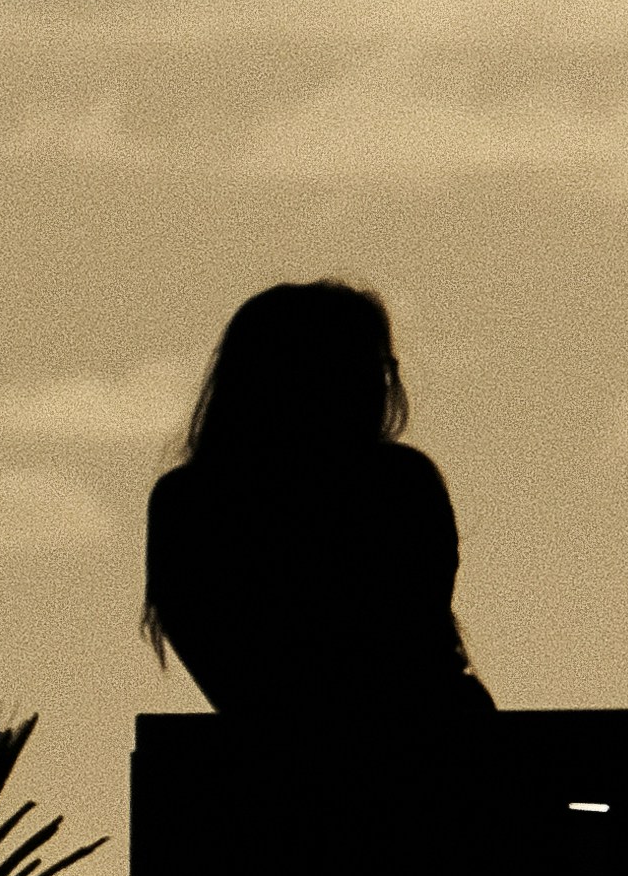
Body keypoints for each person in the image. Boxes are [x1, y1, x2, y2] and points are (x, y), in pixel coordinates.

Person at [146, 281, 492, 722]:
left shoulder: (188, 505)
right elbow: (411, 639)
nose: (379, 383)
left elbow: (235, 673)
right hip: (435, 742)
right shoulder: (398, 484)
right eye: (367, 365)